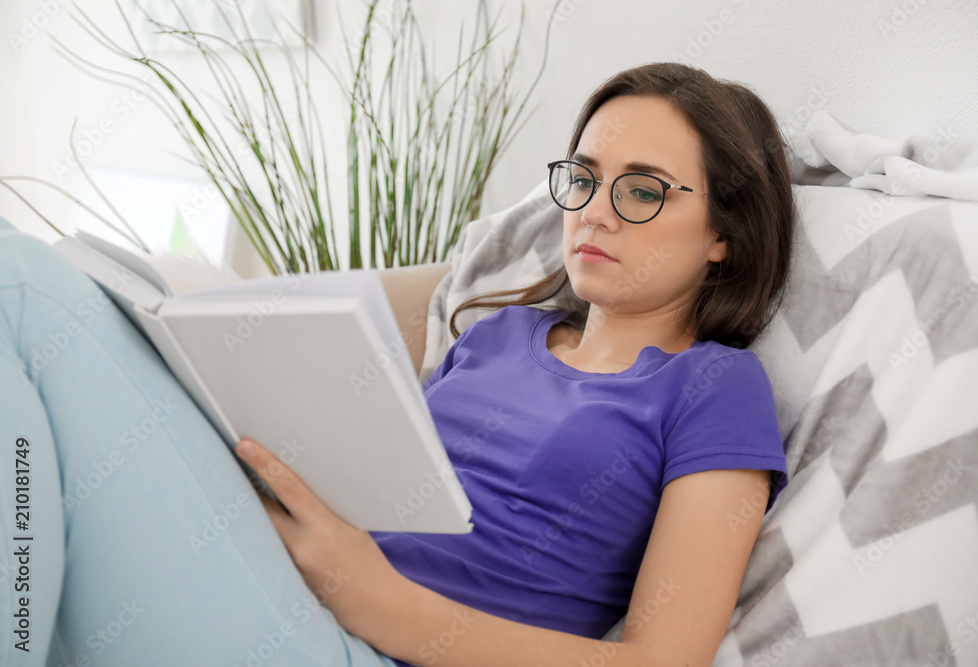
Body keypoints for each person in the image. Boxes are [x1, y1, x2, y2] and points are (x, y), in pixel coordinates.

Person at [0, 61, 793, 667]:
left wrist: (377, 600)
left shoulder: (716, 388)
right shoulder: (496, 333)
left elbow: (661, 662)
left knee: (22, 284)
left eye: (643, 191)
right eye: (583, 178)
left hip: (370, 644)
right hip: (279, 580)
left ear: (723, 234)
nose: (592, 211)